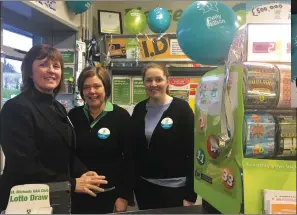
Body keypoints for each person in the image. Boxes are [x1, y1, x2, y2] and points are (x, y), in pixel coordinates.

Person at [0, 45, 107, 211]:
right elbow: (24, 164)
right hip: (26, 199)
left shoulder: (58, 107)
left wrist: (84, 173)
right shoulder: (16, 108)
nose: (51, 71)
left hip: (56, 196)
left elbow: (66, 151)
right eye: (43, 65)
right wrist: (71, 183)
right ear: (29, 72)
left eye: (56, 66)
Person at [68, 66, 134, 214]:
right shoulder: (73, 116)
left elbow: (130, 159)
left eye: (97, 86)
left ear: (106, 88)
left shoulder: (121, 117)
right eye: (86, 87)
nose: (92, 91)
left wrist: (124, 196)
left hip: (110, 194)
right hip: (79, 192)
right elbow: (68, 153)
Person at [131, 63, 197, 210]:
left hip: (175, 189)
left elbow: (193, 151)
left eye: (158, 79)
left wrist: (191, 193)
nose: (153, 84)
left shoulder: (182, 109)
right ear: (144, 83)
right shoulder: (139, 109)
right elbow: (134, 151)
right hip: (144, 187)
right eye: (149, 80)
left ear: (167, 81)